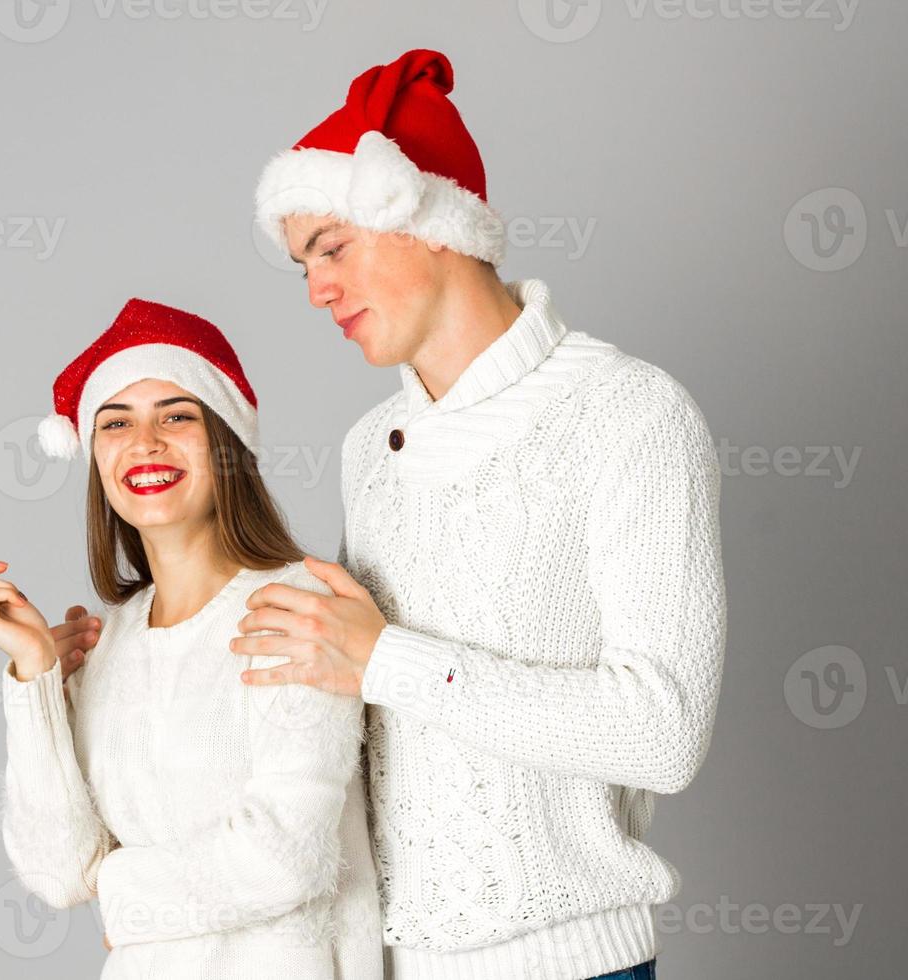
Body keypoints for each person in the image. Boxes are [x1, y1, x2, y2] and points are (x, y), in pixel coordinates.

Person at [226, 49, 727, 980]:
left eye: (332, 248)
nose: (316, 290)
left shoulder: (629, 413)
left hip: (573, 966)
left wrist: (386, 657)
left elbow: (664, 732)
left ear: (428, 219)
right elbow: (355, 716)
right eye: (302, 265)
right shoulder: (369, 450)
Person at [0, 298, 383, 980]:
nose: (144, 443)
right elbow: (61, 871)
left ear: (227, 443)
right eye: (115, 423)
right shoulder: (107, 643)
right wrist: (35, 680)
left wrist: (119, 892)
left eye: (177, 416)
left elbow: (283, 857)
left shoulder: (297, 608)